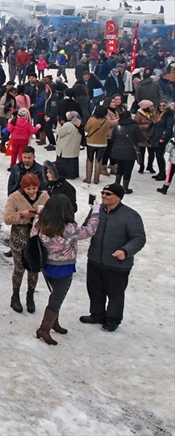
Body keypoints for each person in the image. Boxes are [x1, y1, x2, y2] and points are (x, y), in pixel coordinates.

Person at [32, 194, 100, 345]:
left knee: (54, 294)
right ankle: (44, 329)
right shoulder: (69, 229)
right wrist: (95, 211)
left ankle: (54, 323)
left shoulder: (39, 222)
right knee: (57, 298)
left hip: (46, 265)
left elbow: (33, 235)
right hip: (64, 268)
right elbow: (90, 230)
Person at [81, 183, 146, 331]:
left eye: (108, 194)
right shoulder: (96, 211)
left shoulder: (131, 216)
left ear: (118, 197)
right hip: (95, 259)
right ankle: (97, 314)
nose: (103, 195)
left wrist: (125, 251)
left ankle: (113, 319)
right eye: (103, 192)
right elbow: (86, 228)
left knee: (115, 294)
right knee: (95, 289)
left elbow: (138, 238)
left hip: (117, 264)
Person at [3, 173, 49, 314]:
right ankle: (15, 295)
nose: (31, 191)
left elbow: (52, 215)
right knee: (19, 266)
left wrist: (41, 216)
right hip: (19, 235)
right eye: (28, 189)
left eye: (34, 188)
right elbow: (7, 218)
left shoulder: (44, 197)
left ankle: (30, 295)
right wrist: (21, 215)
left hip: (37, 236)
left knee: (34, 267)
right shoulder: (15, 198)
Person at [109, 110, 146, 194]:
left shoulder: (117, 127)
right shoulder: (135, 126)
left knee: (120, 169)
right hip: (130, 152)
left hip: (117, 151)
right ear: (130, 117)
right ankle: (125, 188)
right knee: (127, 170)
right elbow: (141, 139)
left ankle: (116, 185)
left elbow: (113, 139)